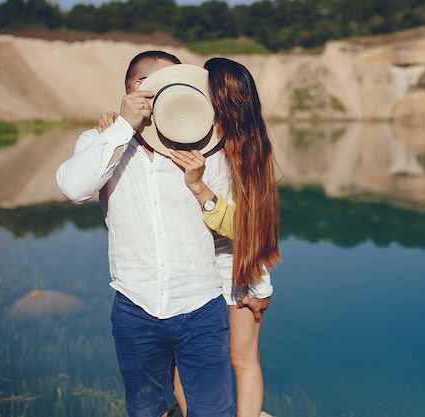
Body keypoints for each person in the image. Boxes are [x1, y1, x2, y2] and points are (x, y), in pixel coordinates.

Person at [56, 50, 235, 417]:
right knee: (144, 410)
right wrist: (123, 126)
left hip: (200, 303)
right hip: (135, 306)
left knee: (214, 411)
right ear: (140, 88)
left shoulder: (208, 148)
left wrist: (200, 187)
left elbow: (234, 224)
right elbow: (74, 189)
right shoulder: (101, 139)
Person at [169, 57, 281, 417]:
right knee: (181, 363)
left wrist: (201, 190)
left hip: (237, 268)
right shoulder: (186, 136)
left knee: (241, 356)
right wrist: (114, 123)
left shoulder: (250, 150)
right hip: (191, 267)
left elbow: (248, 227)